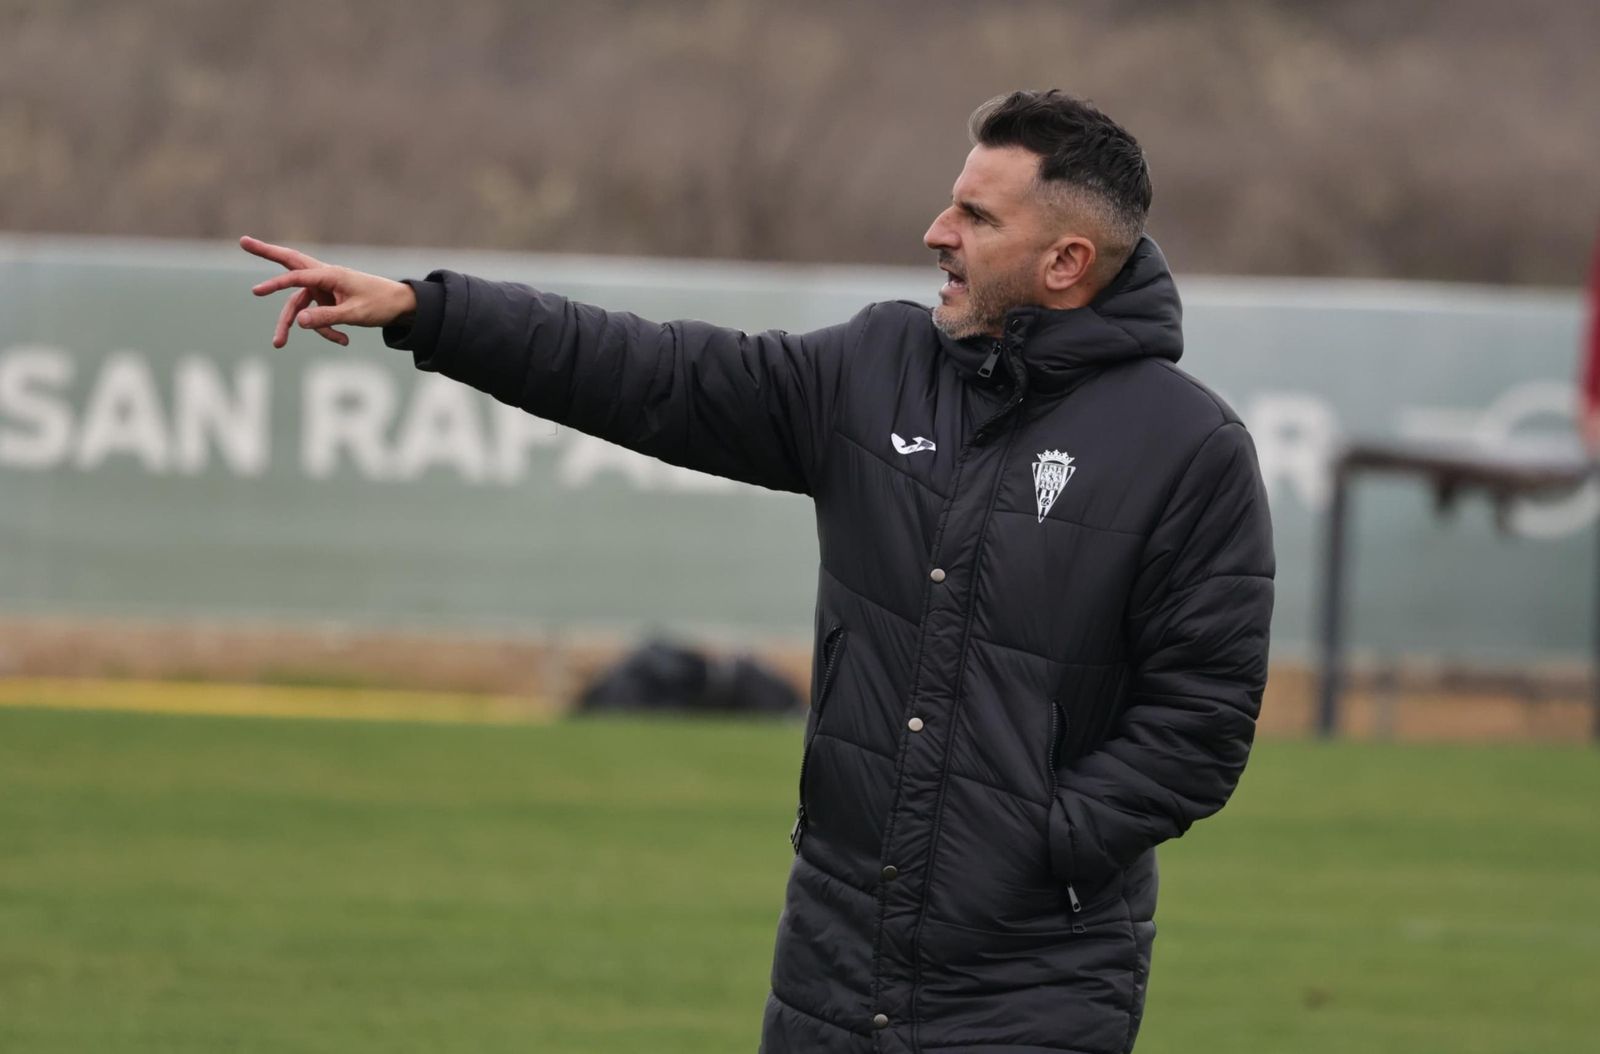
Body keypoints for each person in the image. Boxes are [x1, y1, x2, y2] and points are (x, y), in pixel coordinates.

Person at [243, 90, 1274, 1054]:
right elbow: (651, 372)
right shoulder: (873, 371)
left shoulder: (1189, 451)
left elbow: (1201, 723)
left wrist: (1029, 843)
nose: (935, 234)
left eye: (973, 215)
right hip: (833, 960)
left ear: (1064, 260)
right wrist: (432, 313)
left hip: (1038, 983)